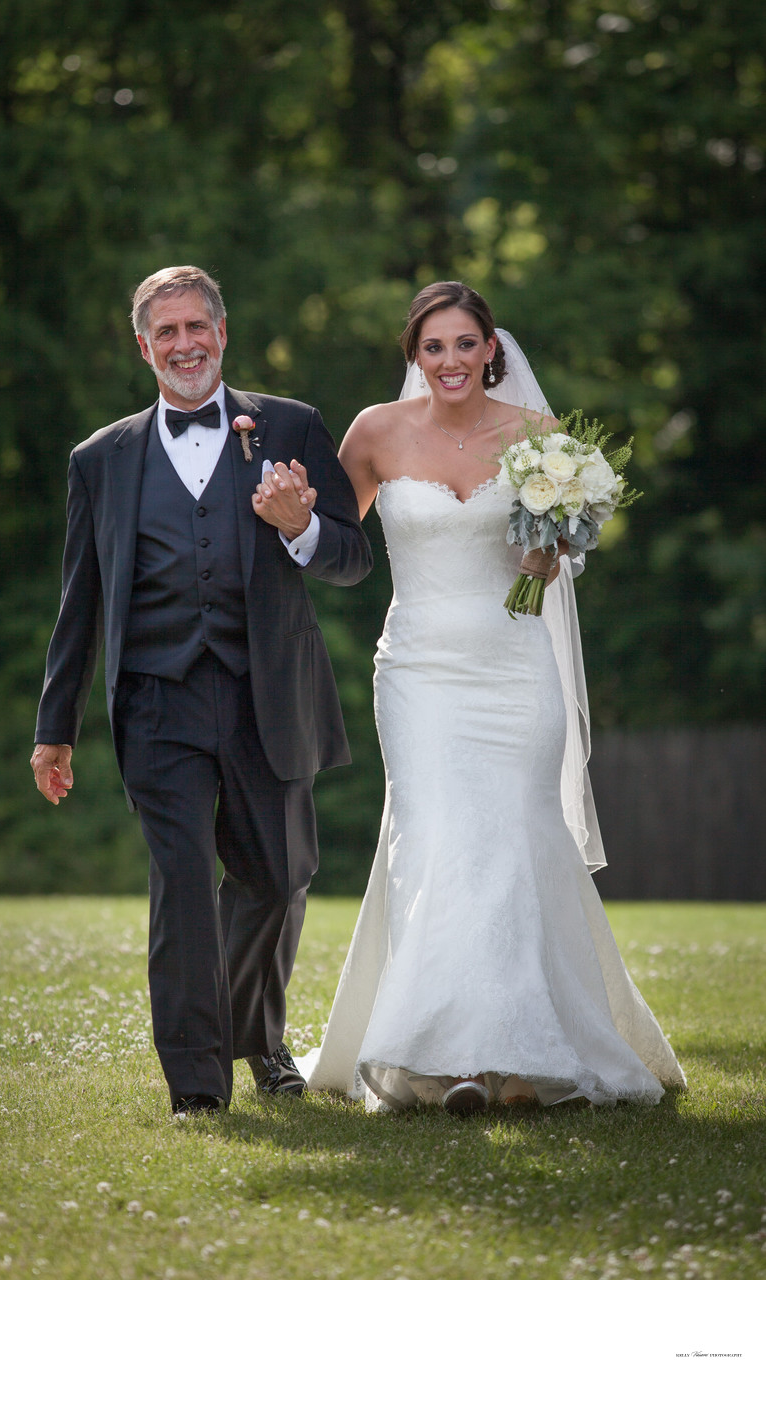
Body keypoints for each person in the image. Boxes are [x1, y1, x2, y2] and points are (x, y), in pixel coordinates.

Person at [300, 281, 685, 1113]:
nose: (449, 361)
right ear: (414, 355)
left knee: (513, 842)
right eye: (432, 347)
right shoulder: (374, 432)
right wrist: (291, 522)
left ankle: (519, 1062)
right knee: (438, 841)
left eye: (464, 345)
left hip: (515, 667)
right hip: (419, 672)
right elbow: (337, 546)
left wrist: (553, 560)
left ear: (490, 352)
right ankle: (435, 1062)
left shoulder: (540, 442)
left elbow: (561, 551)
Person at [31, 265, 372, 1117]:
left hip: (270, 695)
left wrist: (300, 528)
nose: (184, 344)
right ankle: (196, 1084)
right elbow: (81, 599)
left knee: (276, 878)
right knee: (181, 886)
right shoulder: (100, 459)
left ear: (222, 332)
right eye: (166, 332)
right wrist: (55, 726)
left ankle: (255, 1036)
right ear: (143, 346)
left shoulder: (290, 425)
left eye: (197, 328)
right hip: (156, 701)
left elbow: (354, 559)